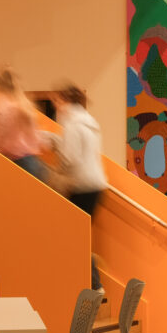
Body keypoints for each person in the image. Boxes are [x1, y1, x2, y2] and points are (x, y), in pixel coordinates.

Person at [48, 84, 109, 291]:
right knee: (78, 237)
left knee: (73, 237)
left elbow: (69, 158)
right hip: (96, 184)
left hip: (82, 186)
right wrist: (55, 140)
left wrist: (54, 173)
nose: (56, 106)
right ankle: (91, 281)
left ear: (66, 101)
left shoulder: (72, 124)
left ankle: (93, 283)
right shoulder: (88, 122)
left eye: (57, 101)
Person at [0, 68, 46, 180]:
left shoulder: (1, 103)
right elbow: (36, 133)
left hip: (14, 160)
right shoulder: (23, 102)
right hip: (31, 160)